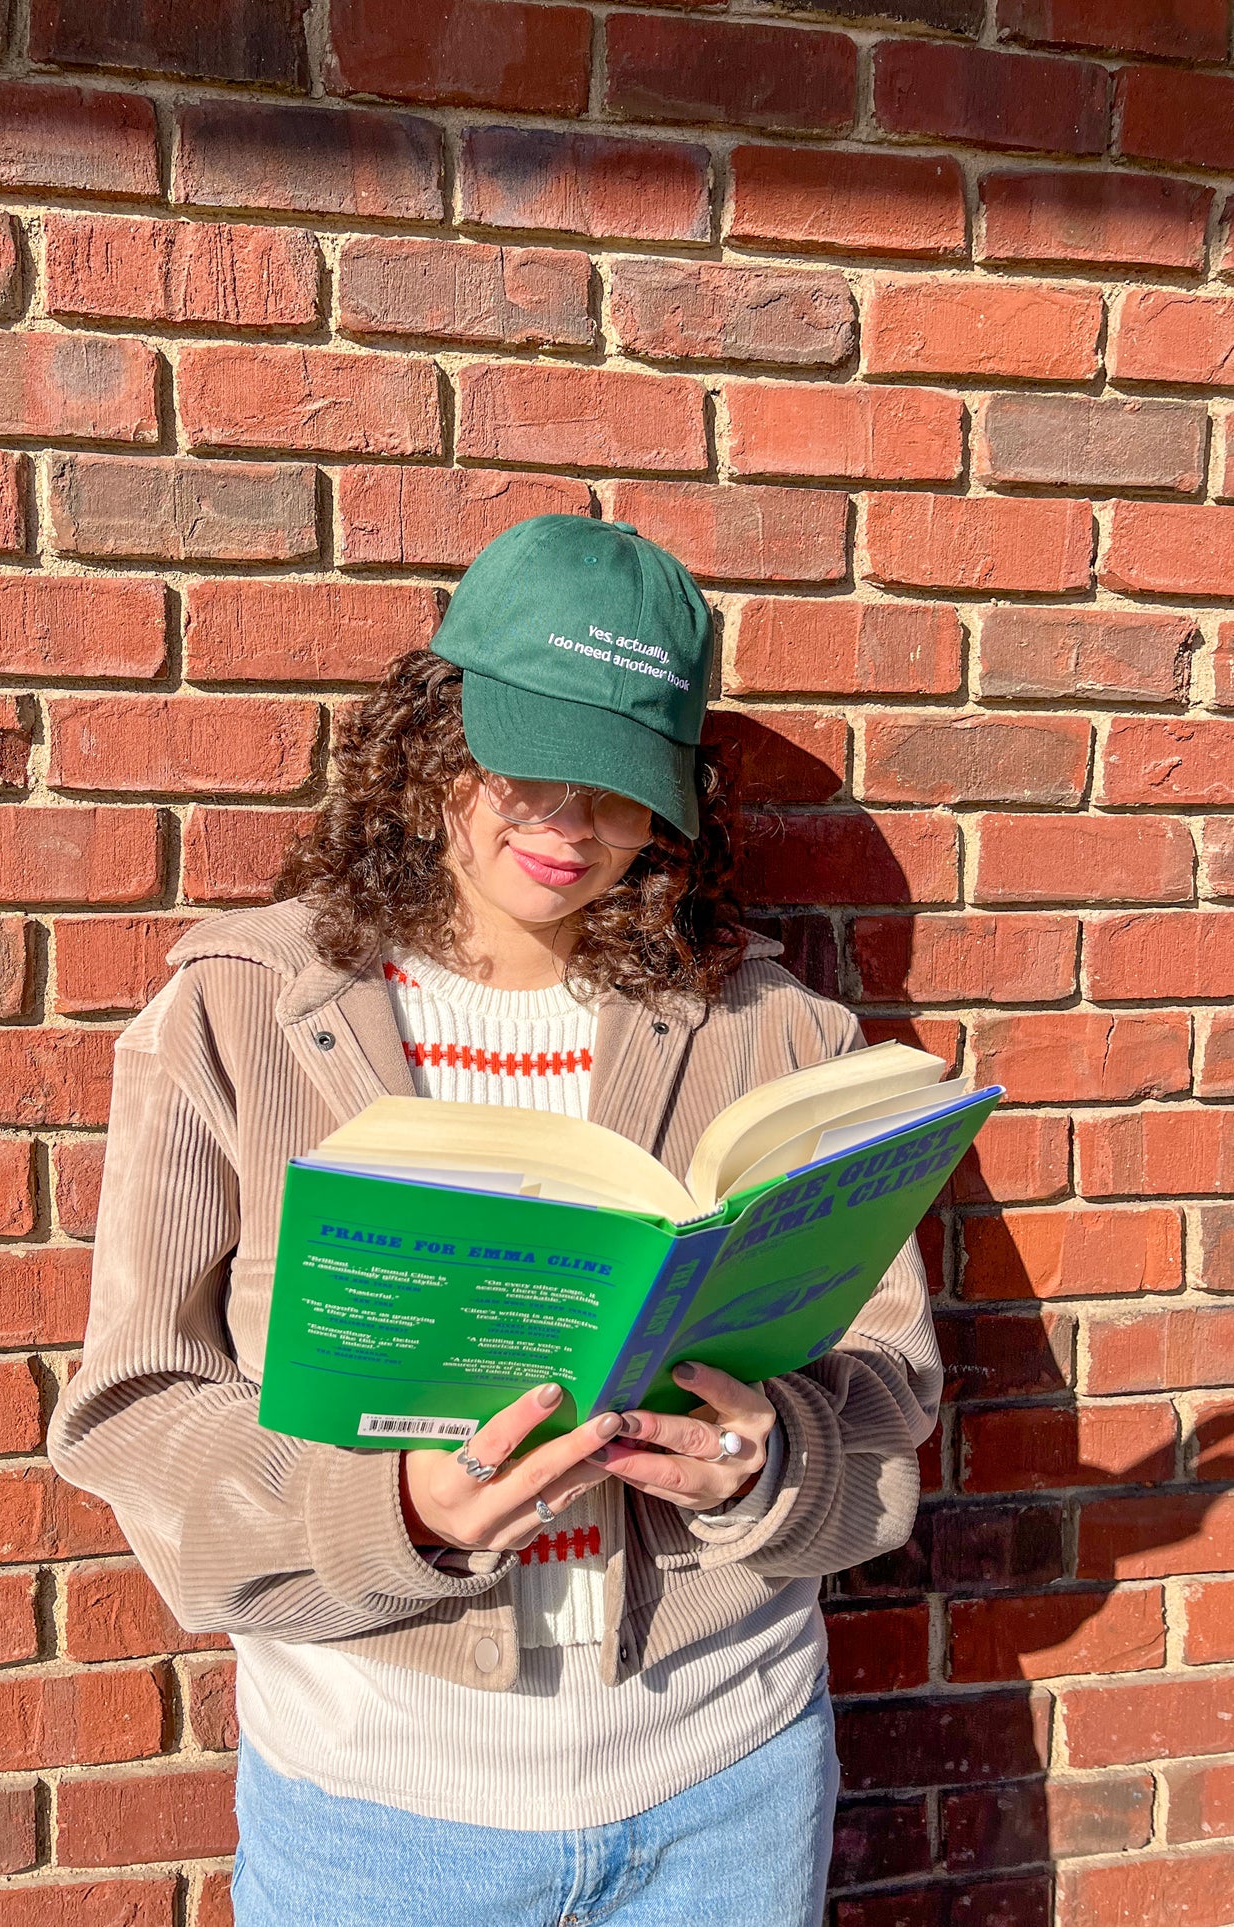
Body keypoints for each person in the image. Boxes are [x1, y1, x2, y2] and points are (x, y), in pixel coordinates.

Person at [48, 515, 941, 1927]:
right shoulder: (238, 1013)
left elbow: (888, 1391)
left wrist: (762, 1463)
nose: (567, 822)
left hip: (722, 1777)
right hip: (381, 1809)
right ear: (435, 738)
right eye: (529, 759)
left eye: (619, 785)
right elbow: (134, 1411)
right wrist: (388, 1507)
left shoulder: (779, 1038)